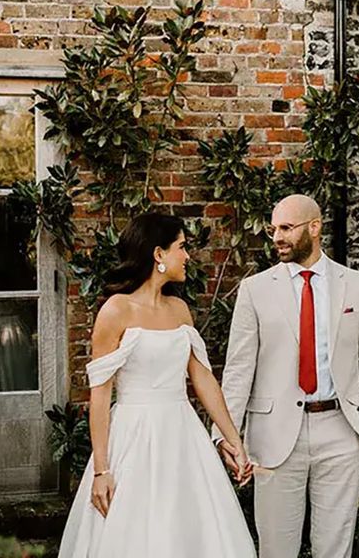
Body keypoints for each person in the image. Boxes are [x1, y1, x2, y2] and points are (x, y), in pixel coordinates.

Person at [57, 211, 256, 558]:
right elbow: (100, 397)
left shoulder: (179, 310)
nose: (187, 255)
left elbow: (203, 379)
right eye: (181, 247)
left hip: (183, 438)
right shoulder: (115, 311)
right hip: (133, 439)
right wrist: (102, 470)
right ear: (158, 254)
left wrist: (233, 439)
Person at [213, 193, 359, 558]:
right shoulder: (255, 290)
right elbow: (238, 370)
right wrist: (226, 436)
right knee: (276, 549)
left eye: (286, 228)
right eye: (273, 228)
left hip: (342, 431)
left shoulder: (358, 285)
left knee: (335, 549)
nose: (277, 236)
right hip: (274, 437)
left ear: (314, 227)